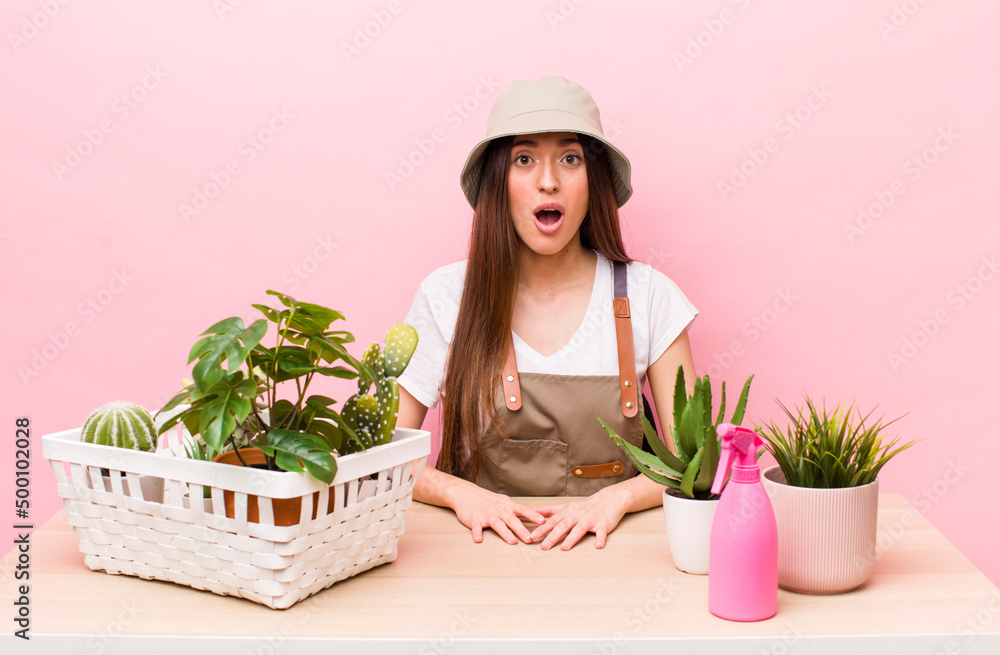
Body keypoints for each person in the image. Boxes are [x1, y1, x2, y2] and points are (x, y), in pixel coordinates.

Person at [395, 76, 697, 551]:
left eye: (570, 158)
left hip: (619, 556)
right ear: (499, 180)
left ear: (593, 180)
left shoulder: (650, 296)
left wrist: (618, 498)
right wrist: (457, 492)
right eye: (524, 158)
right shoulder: (446, 295)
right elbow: (386, 456)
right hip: (477, 558)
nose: (548, 180)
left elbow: (692, 462)